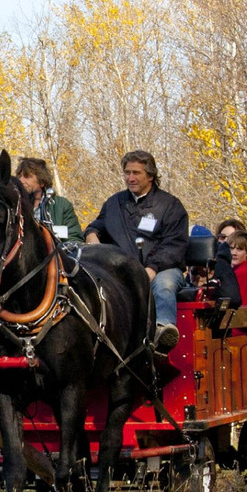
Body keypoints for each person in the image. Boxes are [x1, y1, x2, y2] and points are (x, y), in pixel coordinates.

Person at [84, 150, 188, 352]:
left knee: (164, 284)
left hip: (161, 269)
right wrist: (91, 235)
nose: (130, 178)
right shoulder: (114, 203)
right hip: (121, 269)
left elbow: (175, 245)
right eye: (127, 173)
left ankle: (162, 332)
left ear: (150, 175)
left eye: (136, 173)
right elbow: (96, 226)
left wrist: (151, 269)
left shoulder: (170, 206)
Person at [15, 157, 84, 242]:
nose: (21, 181)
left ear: (42, 182)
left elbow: (75, 238)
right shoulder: (14, 207)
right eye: (19, 176)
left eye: (27, 176)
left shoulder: (62, 206)